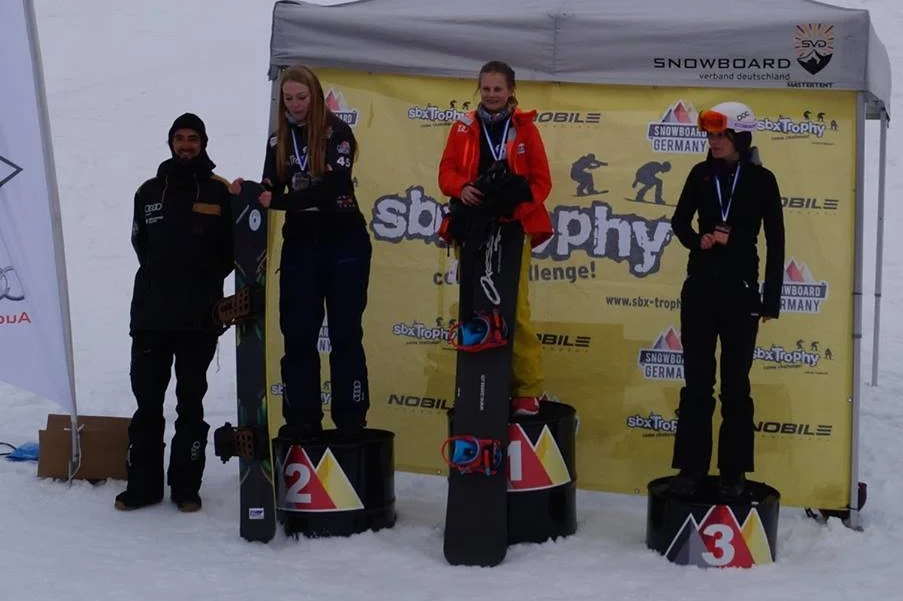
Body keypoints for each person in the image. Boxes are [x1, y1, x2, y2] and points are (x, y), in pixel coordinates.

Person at [230, 65, 371, 440]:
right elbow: (270, 183)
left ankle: (351, 420)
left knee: (345, 332)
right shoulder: (279, 139)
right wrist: (247, 190)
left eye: (302, 97)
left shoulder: (337, 132)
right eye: (289, 98)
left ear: (316, 95)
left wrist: (279, 201)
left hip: (344, 241)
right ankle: (302, 419)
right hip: (301, 243)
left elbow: (331, 187)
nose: (295, 105)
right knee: (297, 333)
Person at [116, 113, 234, 512]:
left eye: (192, 138)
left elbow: (230, 253)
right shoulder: (149, 191)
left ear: (203, 143)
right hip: (150, 317)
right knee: (147, 404)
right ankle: (143, 486)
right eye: (179, 138)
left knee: (190, 404)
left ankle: (186, 487)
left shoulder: (220, 191)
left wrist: (201, 281)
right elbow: (141, 245)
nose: (186, 145)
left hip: (198, 318)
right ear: (171, 142)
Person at [668, 101, 785, 498]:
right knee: (697, 382)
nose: (714, 142)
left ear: (740, 138)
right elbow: (679, 221)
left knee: (736, 386)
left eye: (722, 135)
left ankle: (734, 473)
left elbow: (776, 240)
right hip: (700, 289)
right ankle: (691, 469)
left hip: (741, 292)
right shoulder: (700, 174)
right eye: (711, 135)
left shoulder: (763, 180)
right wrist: (696, 239)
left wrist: (770, 300)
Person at [437, 60, 553, 417]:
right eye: (486, 89)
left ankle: (528, 389)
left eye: (498, 89)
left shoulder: (525, 128)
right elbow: (446, 172)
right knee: (475, 305)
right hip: (473, 225)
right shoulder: (463, 127)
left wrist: (514, 208)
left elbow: (541, 182)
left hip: (514, 227)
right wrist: (462, 188)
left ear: (511, 91)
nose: (491, 95)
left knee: (514, 308)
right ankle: (477, 384)